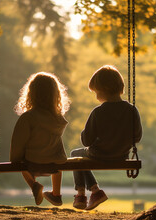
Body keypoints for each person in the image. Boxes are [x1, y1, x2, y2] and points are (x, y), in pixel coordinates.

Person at [71, 65, 142, 210]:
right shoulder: (132, 110)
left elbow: (86, 141)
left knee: (76, 154)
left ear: (103, 90)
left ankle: (81, 194)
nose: (96, 96)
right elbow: (137, 137)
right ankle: (95, 191)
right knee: (80, 157)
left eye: (96, 92)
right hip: (121, 156)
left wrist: (84, 132)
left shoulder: (98, 112)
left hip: (99, 155)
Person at [10, 72, 70, 206]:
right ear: (56, 96)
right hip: (55, 163)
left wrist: (15, 159)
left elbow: (18, 143)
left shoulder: (28, 118)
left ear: (31, 94)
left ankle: (34, 185)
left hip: (32, 162)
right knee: (57, 148)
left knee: (21, 162)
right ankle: (56, 193)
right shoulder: (58, 119)